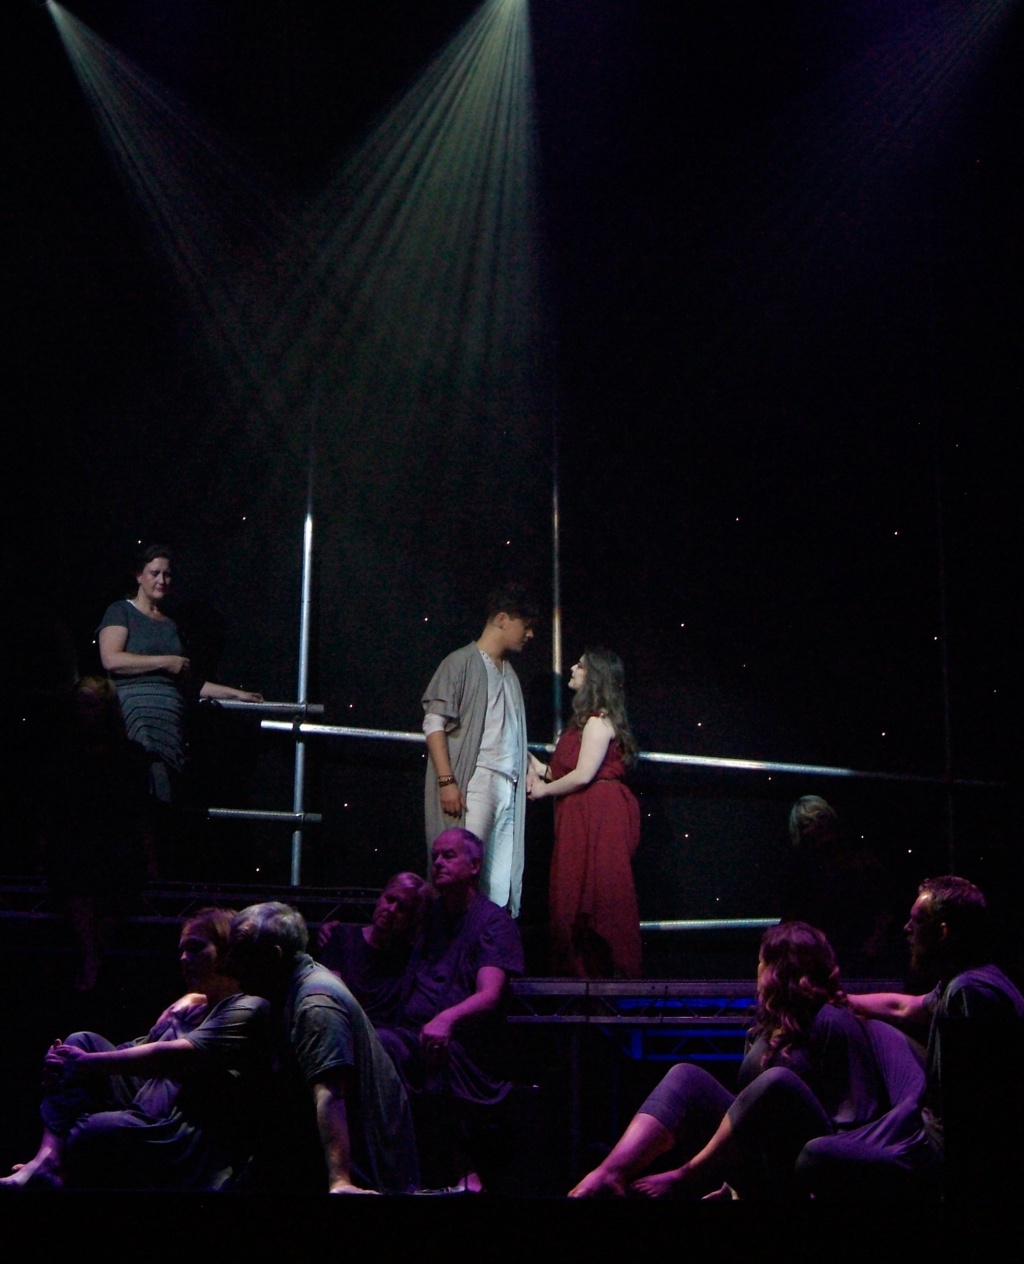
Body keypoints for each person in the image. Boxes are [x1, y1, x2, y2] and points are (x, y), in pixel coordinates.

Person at [569, 921, 905, 1199]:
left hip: (810, 1164)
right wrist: (730, 1187)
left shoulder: (833, 1021)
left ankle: (687, 1175)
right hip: (762, 1162)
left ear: (776, 970)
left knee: (776, 1082)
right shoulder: (763, 1031)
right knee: (686, 1076)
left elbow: (857, 1119)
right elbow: (744, 1114)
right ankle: (610, 1173)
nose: (755, 971)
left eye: (760, 962)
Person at [0, 907, 270, 1191]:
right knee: (80, 1040)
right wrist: (67, 1058)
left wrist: (85, 1063)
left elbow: (176, 1056)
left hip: (183, 1123)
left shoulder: (247, 1006)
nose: (183, 958)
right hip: (149, 1098)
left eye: (195, 948)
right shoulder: (190, 1008)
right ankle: (47, 1160)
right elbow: (137, 1048)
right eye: (181, 950)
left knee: (94, 1129)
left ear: (227, 951)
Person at [838, 875, 1024, 1200]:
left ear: (943, 932)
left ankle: (871, 1129)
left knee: (816, 1157)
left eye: (916, 921)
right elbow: (904, 1007)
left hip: (939, 1146)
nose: (906, 929)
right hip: (931, 1122)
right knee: (873, 1027)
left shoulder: (970, 991)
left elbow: (980, 1110)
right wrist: (841, 1000)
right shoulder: (963, 978)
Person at [227, 901, 419, 1194]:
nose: (229, 963)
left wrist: (340, 1180)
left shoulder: (315, 1004)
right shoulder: (289, 987)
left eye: (241, 953)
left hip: (366, 1173)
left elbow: (331, 1094)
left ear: (273, 956)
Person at [377, 828, 525, 1191]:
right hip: (410, 1031)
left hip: (461, 1045)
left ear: (474, 866)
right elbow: (384, 931)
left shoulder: (493, 923)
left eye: (449, 856)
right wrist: (338, 932)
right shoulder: (429, 916)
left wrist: (446, 1019)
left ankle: (461, 1171)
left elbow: (490, 994)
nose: (438, 863)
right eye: (435, 857)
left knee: (388, 1047)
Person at [97, 544, 263, 804]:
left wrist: (236, 694)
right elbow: (111, 659)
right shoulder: (121, 611)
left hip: (170, 715)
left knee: (170, 786)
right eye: (154, 573)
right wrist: (164, 662)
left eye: (167, 574)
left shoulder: (172, 624)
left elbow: (188, 681)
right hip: (135, 709)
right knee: (145, 782)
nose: (161, 580)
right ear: (139, 575)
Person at [421, 583, 538, 916]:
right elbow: (434, 723)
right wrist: (447, 781)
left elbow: (508, 734)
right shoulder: (460, 662)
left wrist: (532, 767)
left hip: (507, 785)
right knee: (462, 873)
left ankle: (490, 942)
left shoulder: (510, 676)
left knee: (499, 883)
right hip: (476, 781)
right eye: (525, 625)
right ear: (502, 619)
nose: (529, 634)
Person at [527, 648, 641, 978]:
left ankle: (604, 975)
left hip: (599, 816)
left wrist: (544, 790)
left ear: (595, 676)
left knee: (599, 893)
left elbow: (583, 775)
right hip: (581, 815)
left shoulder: (597, 722)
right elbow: (562, 772)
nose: (573, 668)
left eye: (581, 665)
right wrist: (528, 760)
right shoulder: (582, 725)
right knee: (574, 893)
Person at [316, 872, 432, 1023]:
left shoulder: (412, 956)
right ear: (380, 897)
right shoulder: (342, 938)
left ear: (412, 917)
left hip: (385, 1033)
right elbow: (331, 995)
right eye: (390, 899)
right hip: (344, 1025)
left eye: (402, 908)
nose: (391, 910)